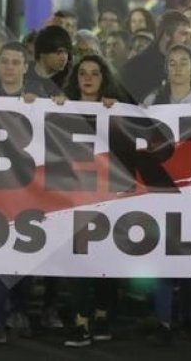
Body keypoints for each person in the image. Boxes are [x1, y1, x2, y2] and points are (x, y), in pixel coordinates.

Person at [0, 42, 65, 344]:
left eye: (16, 62)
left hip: (29, 192)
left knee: (26, 254)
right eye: (5, 62)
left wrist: (46, 105)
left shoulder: (39, 100)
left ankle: (19, 310)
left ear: (25, 68)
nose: (10, 67)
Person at [141, 44, 191, 345]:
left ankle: (188, 317)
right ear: (166, 68)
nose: (178, 67)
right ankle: (164, 319)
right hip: (161, 188)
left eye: (184, 62)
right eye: (173, 62)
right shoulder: (151, 101)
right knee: (163, 258)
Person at [60, 54, 122, 348]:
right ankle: (81, 321)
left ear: (103, 78)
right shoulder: (59, 108)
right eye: (82, 73)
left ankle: (102, 315)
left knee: (107, 260)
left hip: (109, 196)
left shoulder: (118, 110)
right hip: (73, 197)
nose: (87, 78)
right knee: (78, 260)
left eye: (95, 73)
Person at [121, 11, 191, 103]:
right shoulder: (134, 68)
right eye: (183, 34)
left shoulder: (189, 65)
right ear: (167, 35)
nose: (188, 39)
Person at [29, 25, 73, 92]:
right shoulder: (22, 75)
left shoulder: (70, 80)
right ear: (43, 52)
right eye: (58, 52)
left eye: (66, 52)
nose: (64, 58)